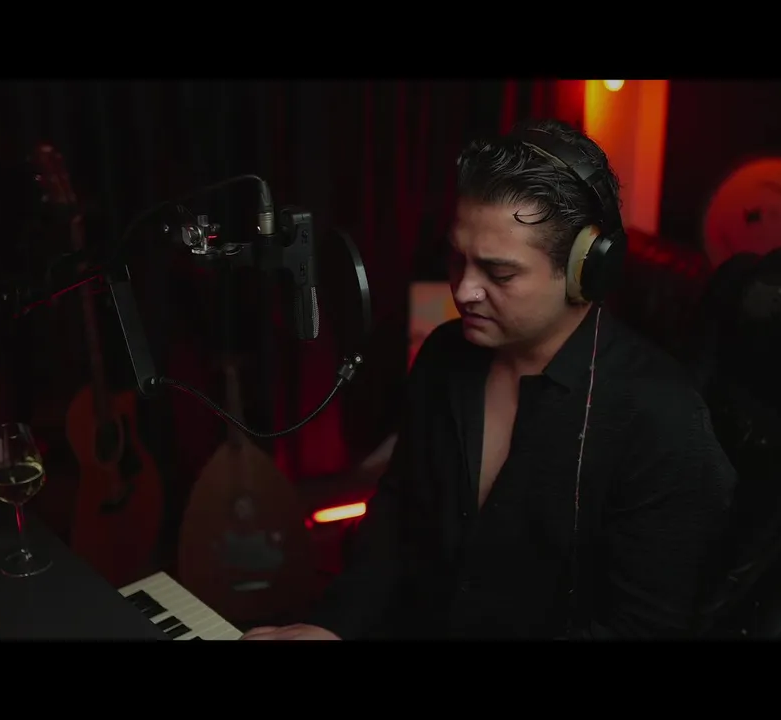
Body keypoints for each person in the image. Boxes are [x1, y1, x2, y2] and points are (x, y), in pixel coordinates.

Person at [242, 118, 737, 640]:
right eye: (457, 258)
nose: (463, 291)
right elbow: (397, 522)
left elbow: (644, 629)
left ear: (585, 271)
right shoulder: (444, 356)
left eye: (499, 273)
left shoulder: (663, 420)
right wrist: (331, 627)